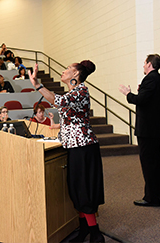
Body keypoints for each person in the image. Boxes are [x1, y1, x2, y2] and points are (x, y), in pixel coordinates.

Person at [28, 62, 105, 242]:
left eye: (67, 69)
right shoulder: (72, 93)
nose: (63, 71)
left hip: (84, 147)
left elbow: (57, 101)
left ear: (75, 73)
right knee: (76, 188)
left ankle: (95, 233)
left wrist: (37, 85)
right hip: (74, 145)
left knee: (84, 189)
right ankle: (85, 229)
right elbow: (67, 117)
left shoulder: (81, 91)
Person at [119, 54, 160, 207]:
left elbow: (140, 101)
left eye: (144, 63)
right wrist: (141, 92)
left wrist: (128, 93)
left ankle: (151, 198)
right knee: (156, 161)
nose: (143, 66)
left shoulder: (150, 79)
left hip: (147, 129)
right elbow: (149, 100)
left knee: (148, 163)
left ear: (149, 64)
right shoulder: (159, 79)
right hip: (155, 127)